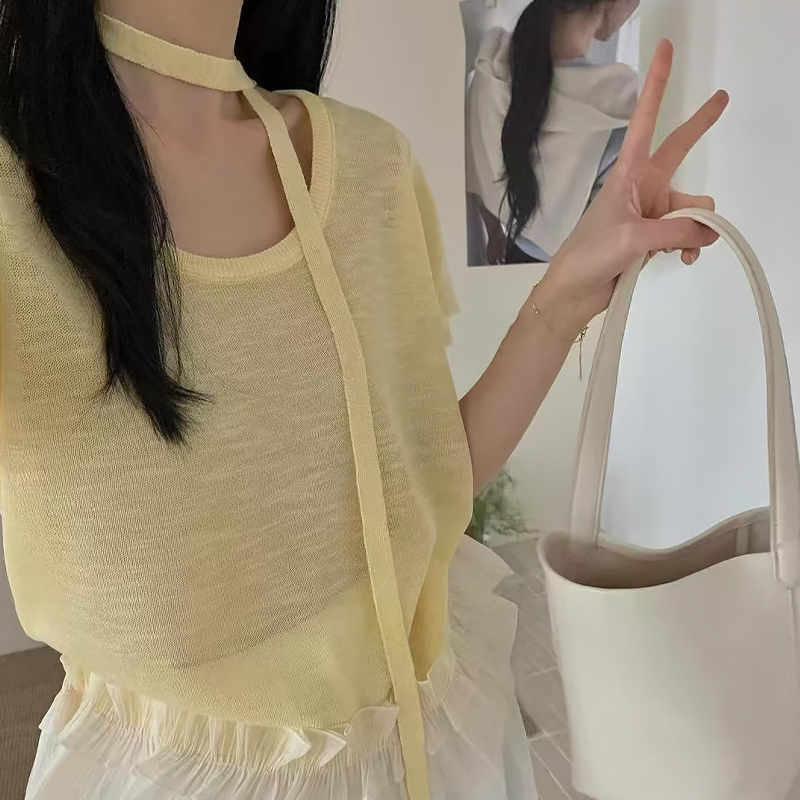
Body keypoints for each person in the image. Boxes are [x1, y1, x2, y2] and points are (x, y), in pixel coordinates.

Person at [0, 0, 725, 798]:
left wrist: (564, 297)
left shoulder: (370, 164)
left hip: (442, 746)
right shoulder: (14, 200)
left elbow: (428, 476)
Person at [466, 0, 642, 264]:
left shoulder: (491, 61)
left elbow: (481, 170)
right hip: (576, 270)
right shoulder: (622, 103)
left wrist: (494, 231)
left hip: (511, 254)